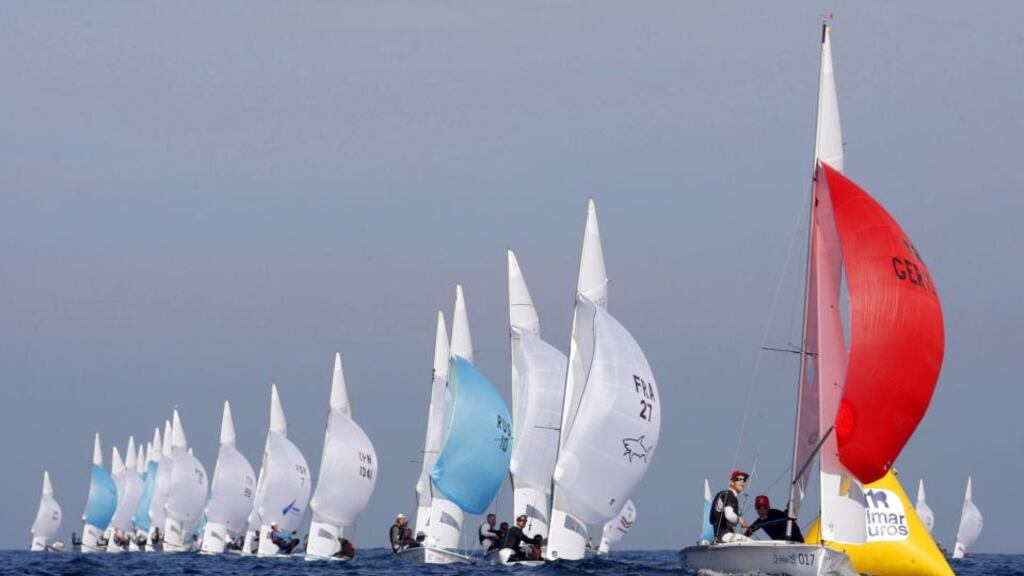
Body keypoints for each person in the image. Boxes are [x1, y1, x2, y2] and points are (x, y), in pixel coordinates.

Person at [710, 470, 751, 542]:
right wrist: (740, 520)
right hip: (724, 536)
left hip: (720, 537)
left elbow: (711, 519)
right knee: (749, 542)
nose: (742, 482)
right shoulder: (729, 495)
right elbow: (729, 515)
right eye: (738, 479)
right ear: (731, 482)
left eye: (744, 480)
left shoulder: (724, 494)